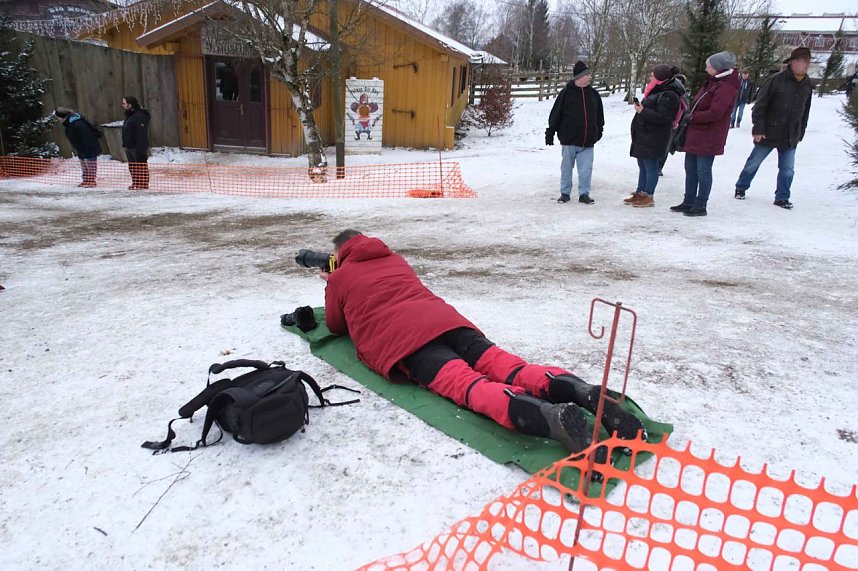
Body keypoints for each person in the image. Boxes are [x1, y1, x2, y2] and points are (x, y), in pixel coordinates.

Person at [321, 230, 645, 456]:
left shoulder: (340, 276)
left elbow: (336, 325)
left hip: (406, 342)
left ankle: (548, 416)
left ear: (340, 254)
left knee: (469, 386)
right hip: (448, 322)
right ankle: (580, 391)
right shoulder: (396, 260)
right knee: (511, 367)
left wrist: (331, 282)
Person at [733, 47, 814, 209]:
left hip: (790, 134)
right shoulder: (775, 80)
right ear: (793, 62)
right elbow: (760, 105)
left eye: (808, 62)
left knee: (788, 169)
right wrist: (758, 128)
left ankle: (782, 197)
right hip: (769, 131)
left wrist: (801, 132)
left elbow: (805, 111)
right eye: (804, 61)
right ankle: (741, 186)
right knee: (754, 162)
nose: (807, 65)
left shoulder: (807, 84)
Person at [670, 52, 739, 217]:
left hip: (709, 136)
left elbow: (716, 112)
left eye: (709, 65)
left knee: (703, 171)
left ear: (718, 68)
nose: (706, 68)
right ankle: (688, 201)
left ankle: (700, 204)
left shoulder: (725, 87)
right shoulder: (713, 82)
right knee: (691, 169)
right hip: (696, 134)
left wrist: (693, 117)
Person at [545, 60, 605, 205]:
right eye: (587, 74)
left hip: (588, 141)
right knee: (566, 168)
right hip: (569, 139)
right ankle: (565, 193)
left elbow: (599, 116)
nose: (590, 77)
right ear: (579, 77)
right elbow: (556, 114)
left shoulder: (594, 94)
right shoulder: (566, 94)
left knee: (586, 170)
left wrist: (599, 131)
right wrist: (550, 132)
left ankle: (584, 194)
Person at [625, 64, 683, 208]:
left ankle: (649, 195)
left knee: (651, 166)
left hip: (655, 136)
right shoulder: (656, 90)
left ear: (660, 77)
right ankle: (641, 192)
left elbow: (664, 117)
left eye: (652, 75)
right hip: (644, 134)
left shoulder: (669, 94)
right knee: (643, 165)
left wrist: (642, 111)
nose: (650, 77)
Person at [54, 107, 101, 188]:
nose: (57, 119)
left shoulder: (77, 123)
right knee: (84, 165)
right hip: (81, 148)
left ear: (62, 116)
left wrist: (87, 148)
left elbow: (87, 136)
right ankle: (86, 180)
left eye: (58, 117)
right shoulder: (69, 123)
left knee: (90, 164)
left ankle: (91, 181)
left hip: (88, 147)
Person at [121, 96, 151, 190]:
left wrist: (140, 147)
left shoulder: (139, 116)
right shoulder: (130, 115)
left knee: (140, 165)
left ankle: (143, 183)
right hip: (129, 145)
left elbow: (141, 133)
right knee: (132, 166)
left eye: (124, 103)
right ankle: (136, 182)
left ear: (130, 104)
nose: (123, 105)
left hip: (137, 146)